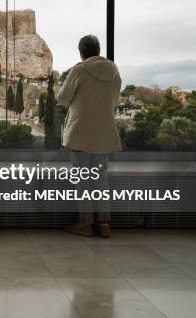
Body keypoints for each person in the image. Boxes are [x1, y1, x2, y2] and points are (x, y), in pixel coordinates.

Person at [56, 34, 121, 238]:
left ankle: (85, 223)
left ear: (81, 53)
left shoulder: (79, 70)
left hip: (81, 133)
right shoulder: (114, 71)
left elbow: (62, 98)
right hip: (104, 132)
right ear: (98, 50)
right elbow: (115, 100)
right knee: (101, 179)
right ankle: (104, 224)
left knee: (82, 180)